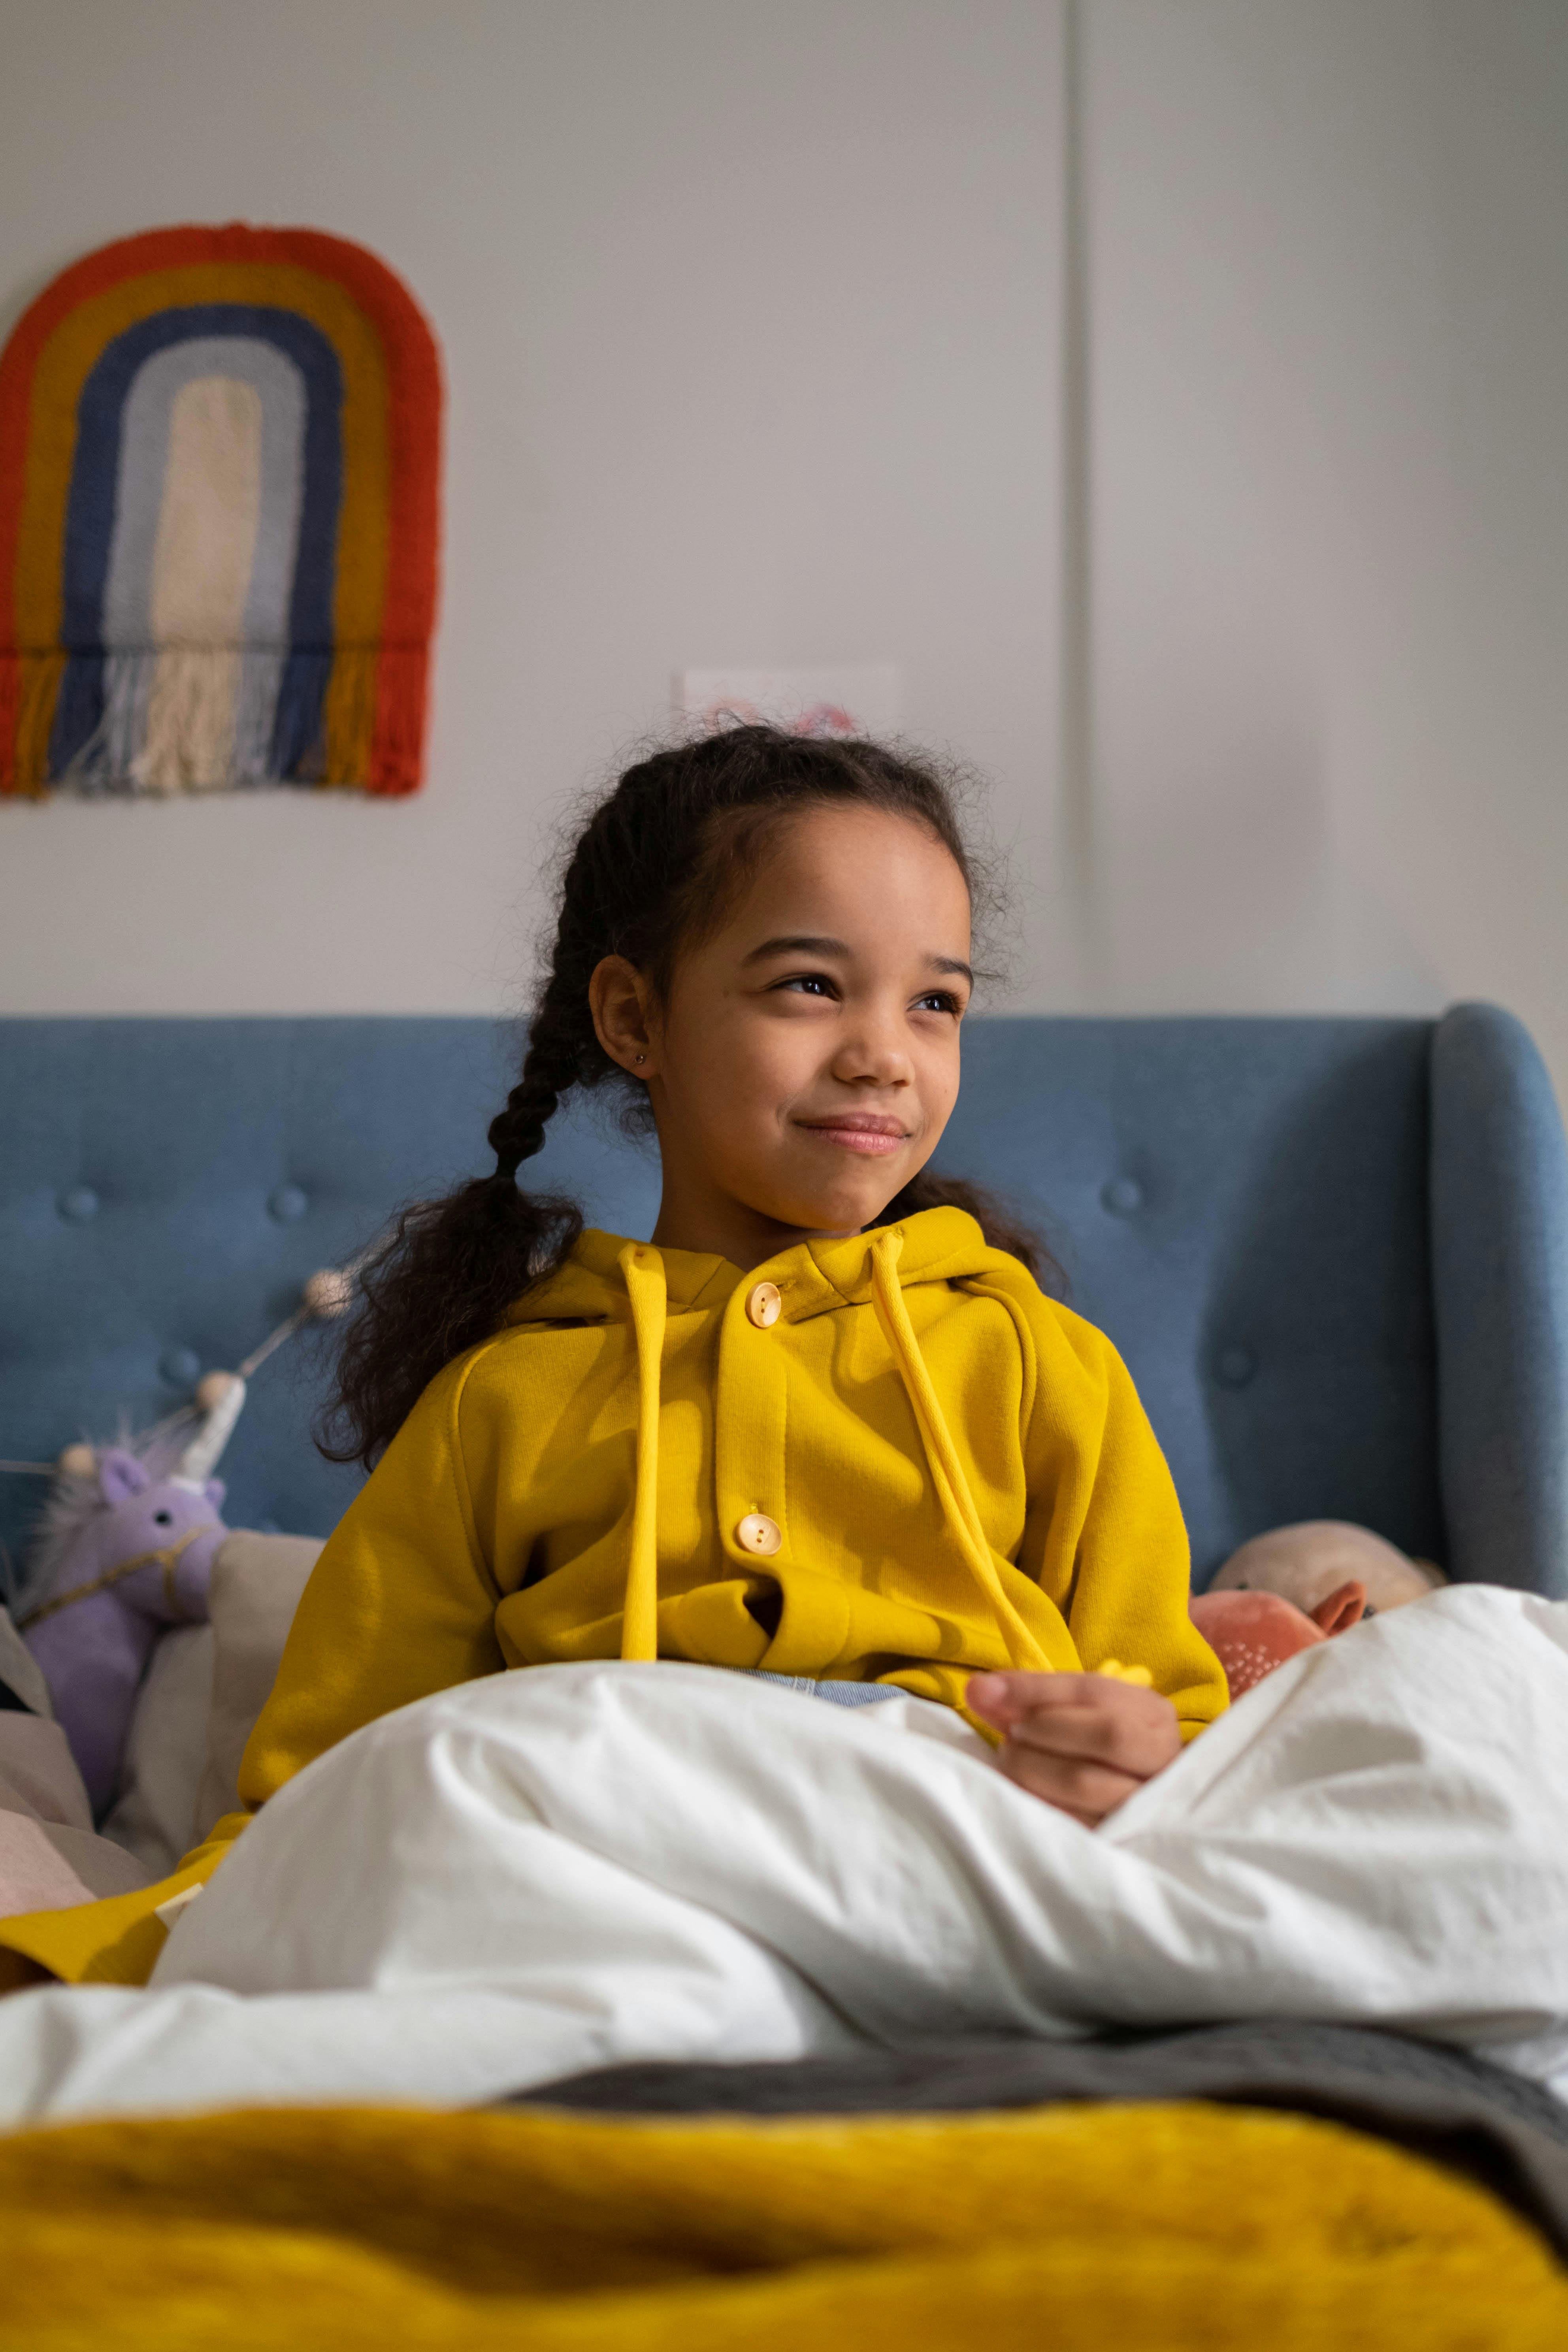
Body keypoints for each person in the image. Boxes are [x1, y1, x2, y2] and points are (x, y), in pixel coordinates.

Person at [0, 725, 1225, 1993]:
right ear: (636, 1017)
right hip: (601, 1869)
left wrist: (1128, 1752)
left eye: (937, 1003)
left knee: (1445, 1663)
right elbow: (334, 1791)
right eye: (811, 985)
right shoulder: (502, 1397)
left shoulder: (1037, 1361)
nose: (885, 1053)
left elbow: (1178, 1729)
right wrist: (103, 1960)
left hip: (950, 1843)